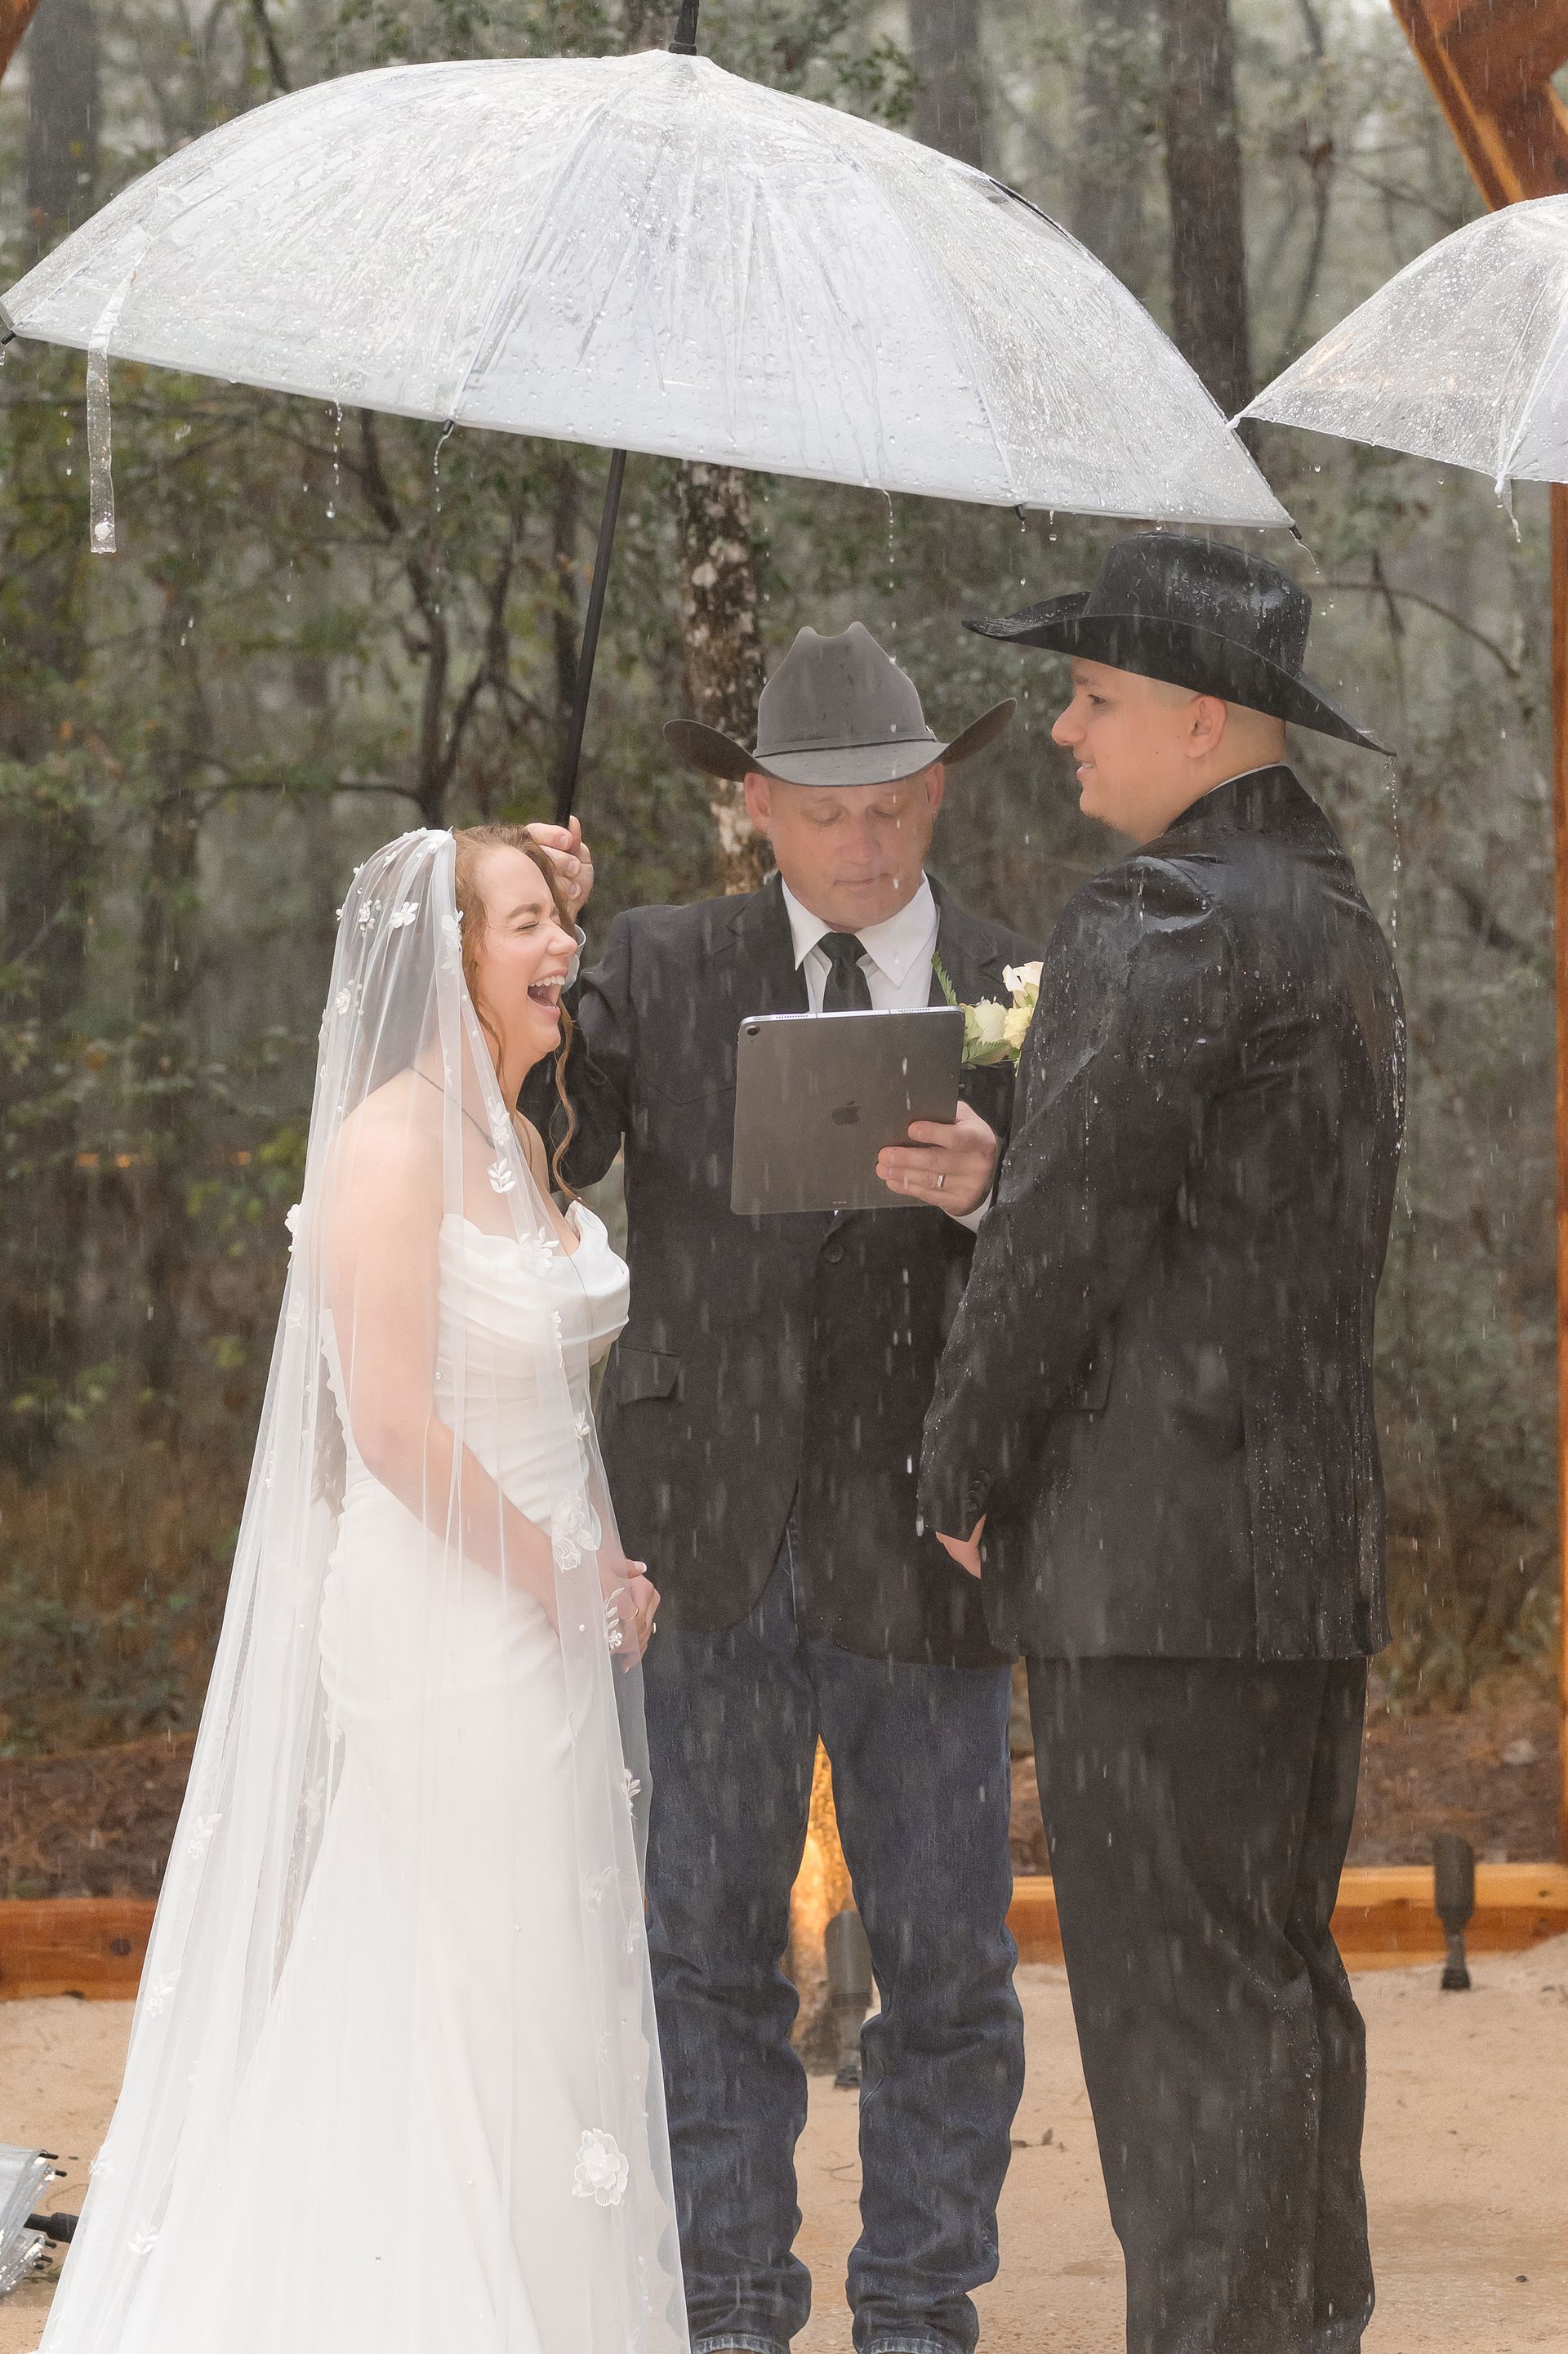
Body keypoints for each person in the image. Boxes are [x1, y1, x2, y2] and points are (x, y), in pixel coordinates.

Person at [40, 827, 686, 2354]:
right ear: (449, 960)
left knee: (526, 1984)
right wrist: (561, 1575)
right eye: (526, 926)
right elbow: (390, 1428)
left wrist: (597, 1566)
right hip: (445, 1624)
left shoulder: (516, 1136)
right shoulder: (392, 1147)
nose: (564, 949)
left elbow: (544, 1406)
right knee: (477, 1982)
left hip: (538, 1607)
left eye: (559, 923)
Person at [522, 622, 1039, 2354]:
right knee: (703, 1951)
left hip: (933, 1539)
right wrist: (532, 938)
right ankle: (730, 2303)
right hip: (704, 1538)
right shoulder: (658, 962)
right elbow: (539, 1141)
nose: (865, 841)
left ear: (939, 789)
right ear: (756, 805)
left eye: (893, 804)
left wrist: (997, 1189)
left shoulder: (1023, 979)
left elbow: (1097, 1257)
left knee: (950, 1963)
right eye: (826, 811)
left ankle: (919, 2310)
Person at [918, 533, 1405, 2354]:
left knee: (1179, 2020)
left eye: (1094, 694)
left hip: (1156, 1562)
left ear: (1204, 716)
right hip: (1298, 1553)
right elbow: (1219, 1229)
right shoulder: (1331, 910)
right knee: (1274, 1985)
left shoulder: (1164, 917)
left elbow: (1064, 1242)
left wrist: (961, 1464)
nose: (1063, 728)